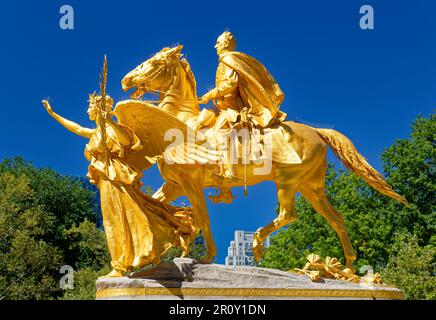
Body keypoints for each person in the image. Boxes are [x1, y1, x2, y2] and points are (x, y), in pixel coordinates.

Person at [41, 94, 196, 277]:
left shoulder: (116, 129)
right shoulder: (96, 132)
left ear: (98, 108)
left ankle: (123, 263)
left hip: (117, 178)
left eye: (90, 107)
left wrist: (110, 121)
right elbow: (76, 128)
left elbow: (125, 141)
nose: (87, 111)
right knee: (112, 221)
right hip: (106, 179)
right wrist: (53, 114)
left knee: (128, 217)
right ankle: (119, 264)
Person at [199, 31, 287, 203]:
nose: (215, 46)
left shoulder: (228, 60)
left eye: (218, 43)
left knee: (221, 131)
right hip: (224, 107)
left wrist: (210, 94)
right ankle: (225, 189)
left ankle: (229, 173)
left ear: (226, 44)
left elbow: (230, 84)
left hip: (233, 109)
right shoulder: (225, 61)